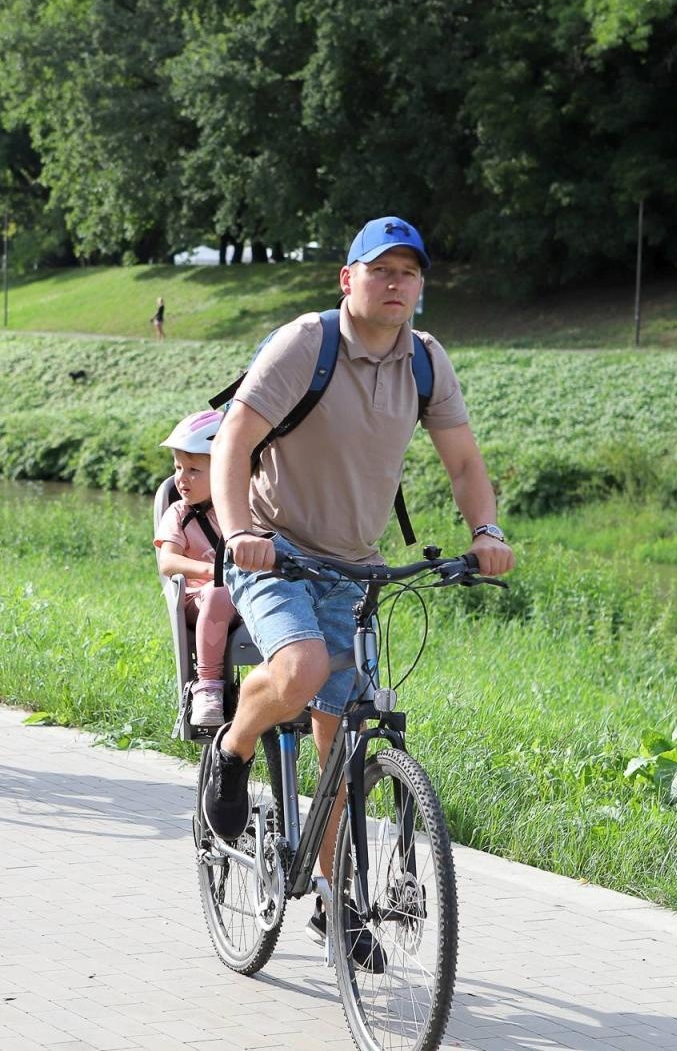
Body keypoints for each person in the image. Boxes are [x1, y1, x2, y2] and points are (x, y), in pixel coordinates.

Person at [202, 215, 516, 967]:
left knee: (341, 738)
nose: (396, 284)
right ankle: (234, 747)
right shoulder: (304, 344)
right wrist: (242, 529)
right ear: (349, 279)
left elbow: (466, 465)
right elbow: (233, 441)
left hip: (356, 566)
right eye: (381, 271)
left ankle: (334, 898)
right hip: (272, 550)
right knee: (302, 670)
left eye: (409, 273)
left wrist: (487, 532)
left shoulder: (427, 362)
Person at [153, 410, 236, 727]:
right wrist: (211, 570)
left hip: (242, 597)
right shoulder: (178, 513)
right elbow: (169, 561)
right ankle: (208, 687)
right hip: (197, 600)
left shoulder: (242, 510)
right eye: (178, 468)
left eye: (193, 470)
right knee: (217, 593)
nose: (181, 478)